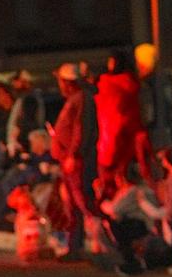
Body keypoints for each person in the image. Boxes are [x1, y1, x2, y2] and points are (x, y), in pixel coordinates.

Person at [49, 62, 100, 258]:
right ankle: (75, 245)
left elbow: (81, 129)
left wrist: (73, 154)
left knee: (82, 201)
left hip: (77, 160)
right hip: (70, 159)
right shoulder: (75, 99)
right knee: (73, 203)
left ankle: (98, 241)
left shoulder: (81, 99)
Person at [96, 50, 150, 193]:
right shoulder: (132, 85)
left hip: (114, 138)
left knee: (117, 180)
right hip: (130, 134)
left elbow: (110, 116)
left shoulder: (110, 86)